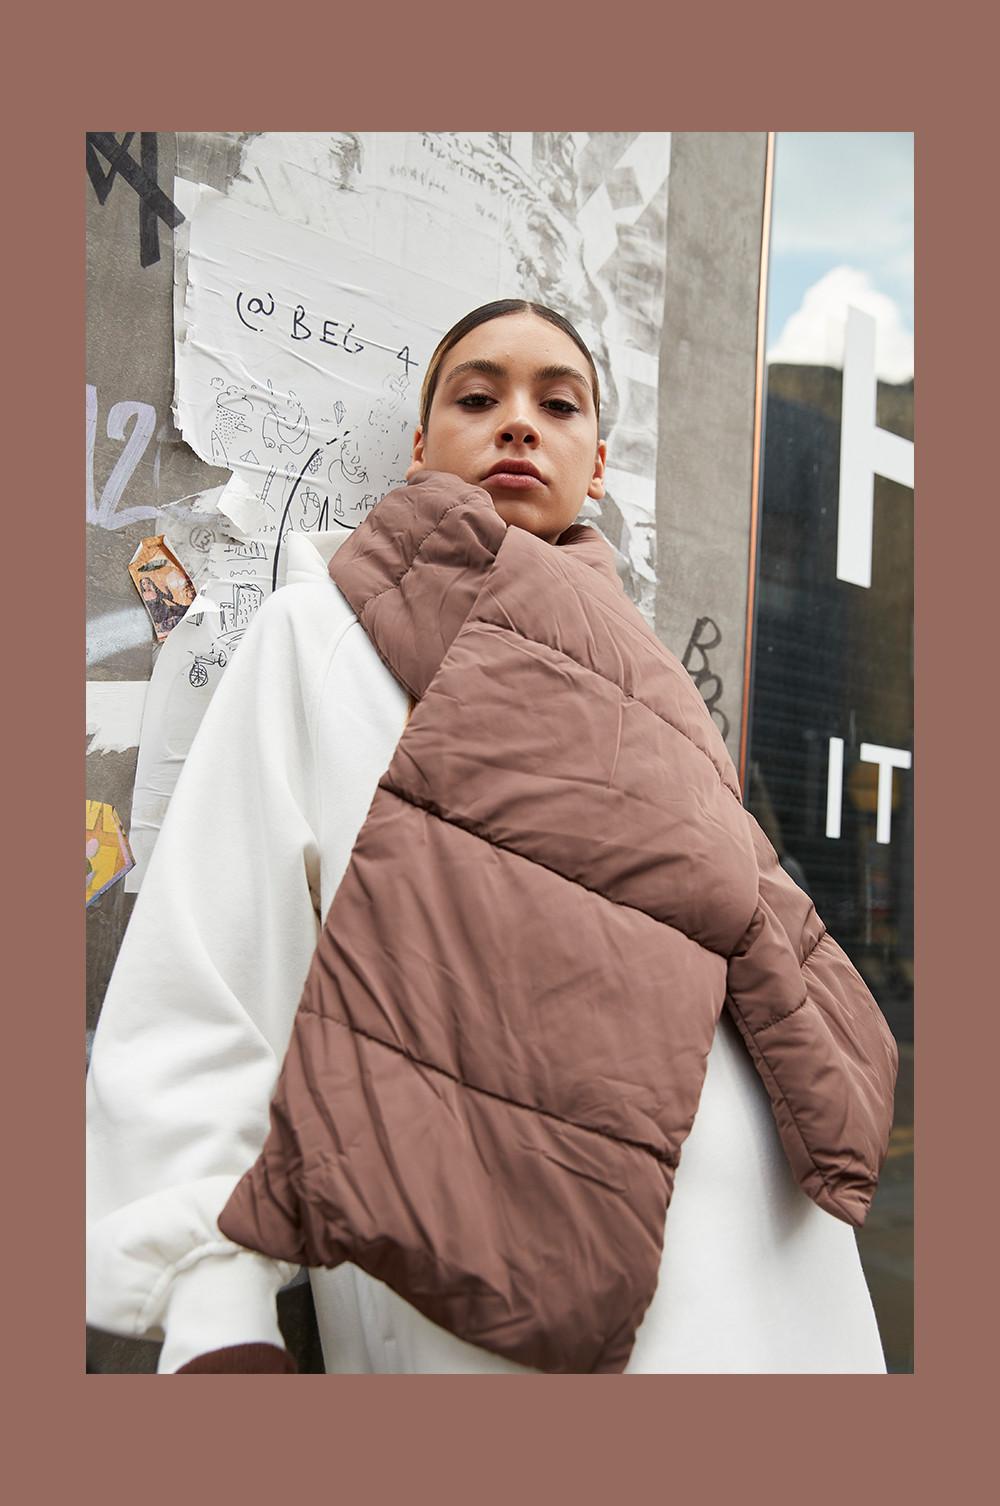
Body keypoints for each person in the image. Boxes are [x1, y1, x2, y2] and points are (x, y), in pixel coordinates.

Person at [86, 300, 895, 1374]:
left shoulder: (662, 697)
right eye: (478, 396)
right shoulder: (322, 635)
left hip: (786, 1295)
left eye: (556, 403)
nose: (518, 422)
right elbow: (211, 979)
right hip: (494, 1316)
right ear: (422, 447)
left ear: (596, 461)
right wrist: (214, 1314)